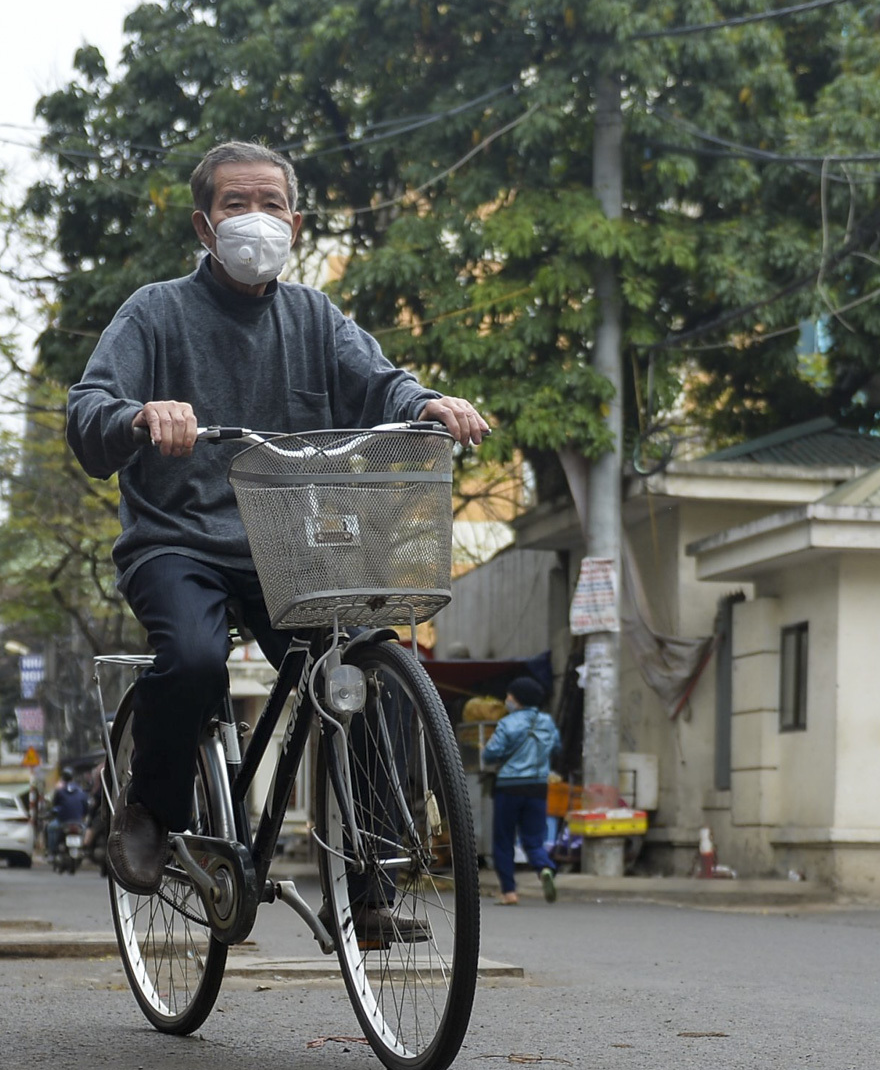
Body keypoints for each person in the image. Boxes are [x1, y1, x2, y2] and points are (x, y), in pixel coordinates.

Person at [65, 140, 488, 939]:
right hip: (177, 540)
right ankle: (151, 811)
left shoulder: (314, 318)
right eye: (235, 204)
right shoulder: (155, 312)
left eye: (270, 204)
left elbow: (382, 382)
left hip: (289, 545)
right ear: (203, 223)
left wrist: (428, 402)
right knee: (190, 659)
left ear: (295, 222)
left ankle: (368, 888)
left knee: (367, 662)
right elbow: (89, 413)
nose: (253, 219)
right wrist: (138, 416)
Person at [482, 676, 561, 905]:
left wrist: (486, 750)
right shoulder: (546, 722)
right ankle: (544, 867)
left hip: (509, 786)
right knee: (534, 839)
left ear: (517, 699)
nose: (507, 699)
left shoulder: (508, 723)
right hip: (538, 786)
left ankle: (509, 892)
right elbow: (555, 746)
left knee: (504, 840)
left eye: (509, 695)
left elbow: (491, 753)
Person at [48, 766, 89, 852]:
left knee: (50, 828)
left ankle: (51, 851)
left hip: (63, 822)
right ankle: (86, 850)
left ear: (63, 777)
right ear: (73, 777)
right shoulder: (80, 790)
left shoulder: (60, 790)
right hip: (78, 822)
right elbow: (86, 808)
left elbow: (55, 805)